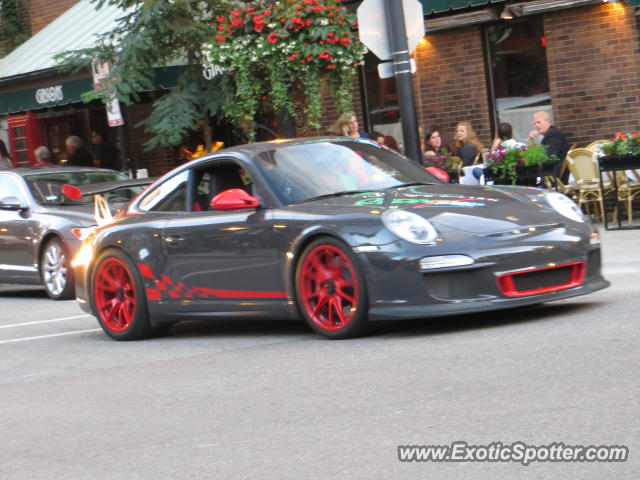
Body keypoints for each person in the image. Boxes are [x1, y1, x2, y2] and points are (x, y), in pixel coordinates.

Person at [528, 111, 569, 181]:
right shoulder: (551, 133)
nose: (536, 125)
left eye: (538, 122)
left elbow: (549, 158)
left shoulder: (552, 135)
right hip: (552, 173)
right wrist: (531, 139)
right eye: (534, 123)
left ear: (547, 121)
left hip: (554, 176)